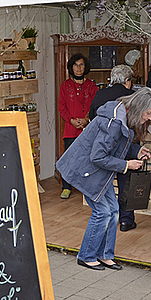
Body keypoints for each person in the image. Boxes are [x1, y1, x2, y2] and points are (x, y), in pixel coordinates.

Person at [57, 88, 151, 271]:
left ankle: (105, 255)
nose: (150, 118)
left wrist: (136, 151)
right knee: (103, 212)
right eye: (149, 113)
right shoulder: (114, 122)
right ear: (139, 108)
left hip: (98, 172)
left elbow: (116, 145)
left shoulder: (121, 115)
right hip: (86, 171)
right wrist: (126, 165)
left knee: (113, 210)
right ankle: (86, 256)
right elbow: (98, 156)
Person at [88, 65, 137, 231]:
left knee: (104, 182)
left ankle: (106, 216)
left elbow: (91, 118)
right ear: (128, 81)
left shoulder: (100, 94)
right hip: (126, 146)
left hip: (103, 146)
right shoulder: (133, 96)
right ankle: (126, 220)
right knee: (126, 183)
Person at [58, 53, 98, 199]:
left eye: (81, 65)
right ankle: (66, 187)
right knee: (69, 159)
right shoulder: (65, 86)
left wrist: (87, 119)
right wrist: (72, 120)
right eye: (75, 65)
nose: (79, 68)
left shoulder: (92, 86)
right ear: (71, 67)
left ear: (85, 67)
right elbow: (62, 108)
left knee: (88, 159)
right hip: (70, 128)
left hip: (87, 129)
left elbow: (95, 106)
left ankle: (86, 186)